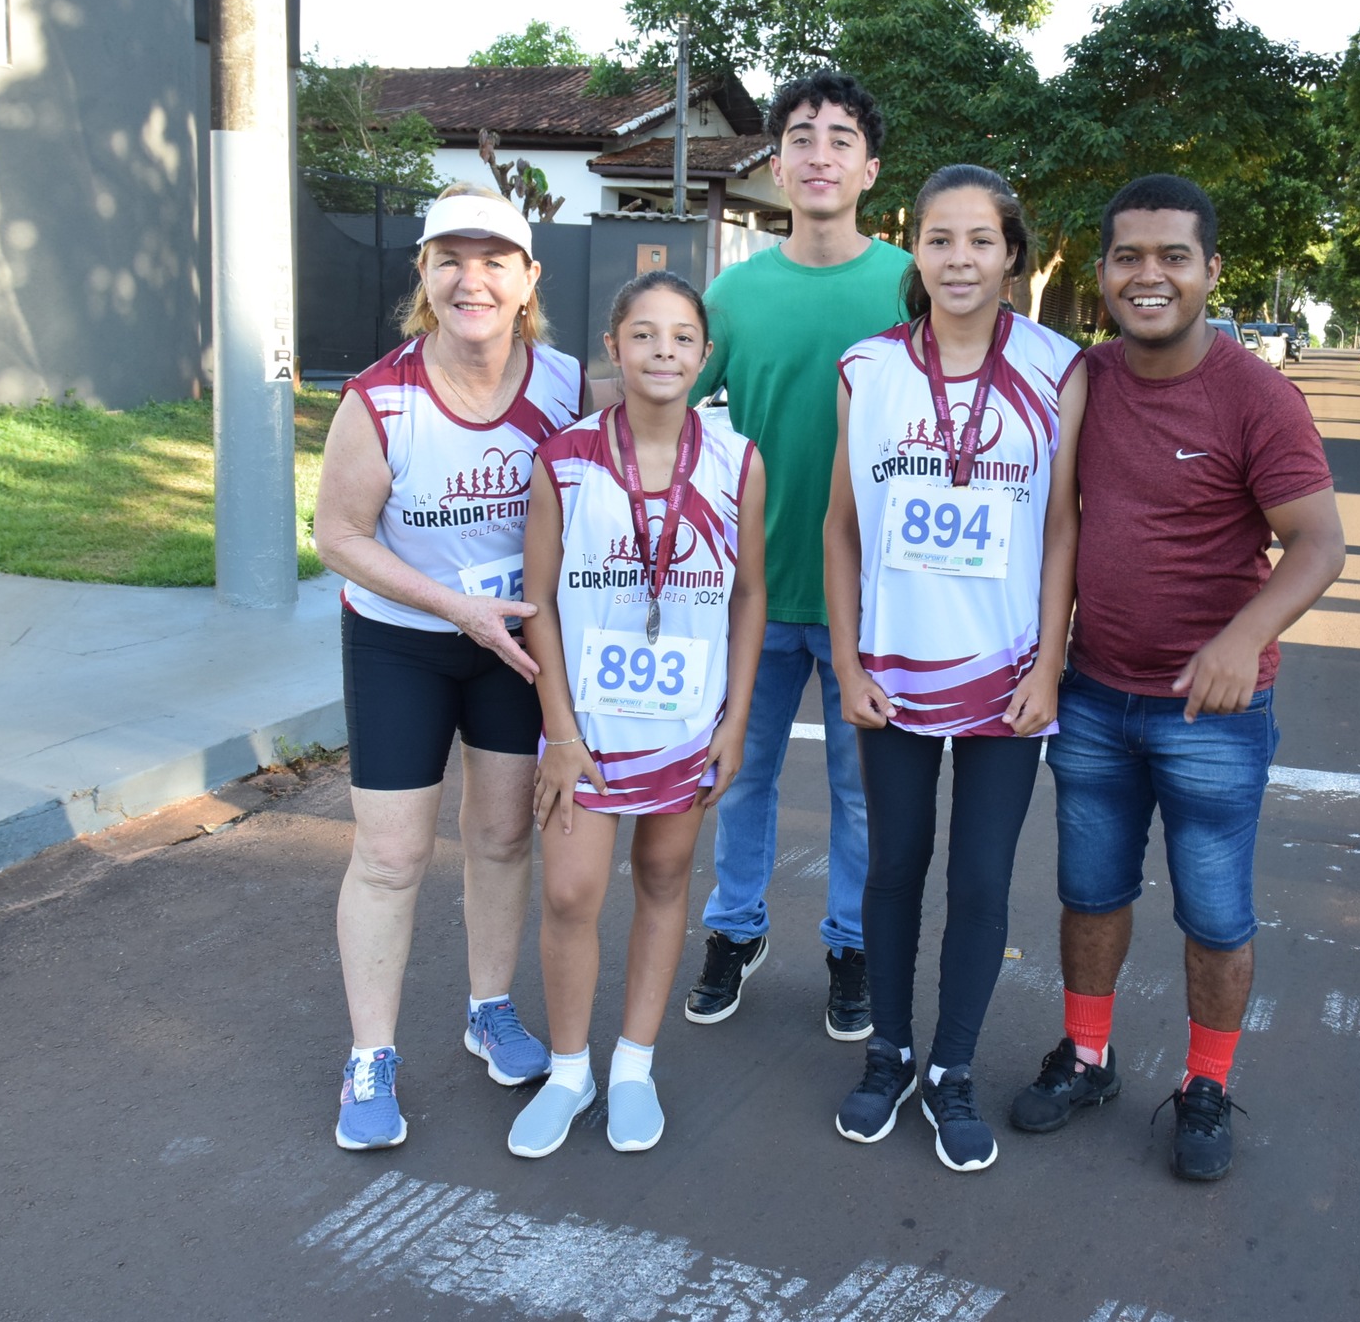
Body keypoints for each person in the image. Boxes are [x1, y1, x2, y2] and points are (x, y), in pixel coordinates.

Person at [1007, 175, 1346, 1183]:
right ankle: (1086, 1056)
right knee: (1090, 892)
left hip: (1212, 715)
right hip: (1095, 697)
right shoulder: (1086, 380)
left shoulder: (1255, 395)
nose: (1146, 275)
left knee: (1213, 912)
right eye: (1127, 256)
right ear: (1103, 271)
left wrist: (1244, 638)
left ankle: (1204, 1084)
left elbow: (1318, 542)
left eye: (1171, 257)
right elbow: (1056, 520)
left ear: (1208, 273)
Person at [313, 182, 591, 1151]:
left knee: (502, 836)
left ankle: (487, 1007)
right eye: (449, 259)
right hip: (405, 640)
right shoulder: (380, 397)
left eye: (493, 260)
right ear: (424, 278)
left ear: (527, 280)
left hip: (511, 644)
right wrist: (452, 607)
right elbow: (337, 536)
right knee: (390, 855)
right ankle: (370, 1056)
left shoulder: (560, 383)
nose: (471, 278)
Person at [823, 165, 1086, 1173]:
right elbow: (838, 528)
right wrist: (846, 661)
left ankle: (953, 1068)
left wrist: (1050, 666)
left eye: (979, 240)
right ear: (914, 249)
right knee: (893, 866)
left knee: (978, 880)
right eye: (938, 239)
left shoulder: (1060, 369)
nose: (959, 259)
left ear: (1011, 251)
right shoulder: (866, 368)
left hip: (1006, 677)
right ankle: (886, 1053)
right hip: (889, 673)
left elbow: (1063, 525)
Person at [511, 271, 768, 1157]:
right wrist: (561, 731)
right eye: (645, 335)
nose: (665, 351)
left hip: (686, 723)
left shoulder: (738, 459)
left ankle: (633, 1066)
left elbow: (750, 596)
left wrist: (734, 722)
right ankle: (569, 1068)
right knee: (572, 889)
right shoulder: (568, 459)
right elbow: (536, 600)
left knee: (664, 881)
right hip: (585, 726)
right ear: (613, 348)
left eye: (683, 336)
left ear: (705, 354)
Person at [684, 71, 914, 1040]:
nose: (819, 155)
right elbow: (663, 406)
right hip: (754, 592)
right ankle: (734, 928)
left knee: (862, 793)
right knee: (737, 775)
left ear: (868, 164)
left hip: (871, 597)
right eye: (801, 139)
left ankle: (850, 944)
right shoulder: (732, 294)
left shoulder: (907, 282)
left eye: (839, 138)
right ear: (775, 164)